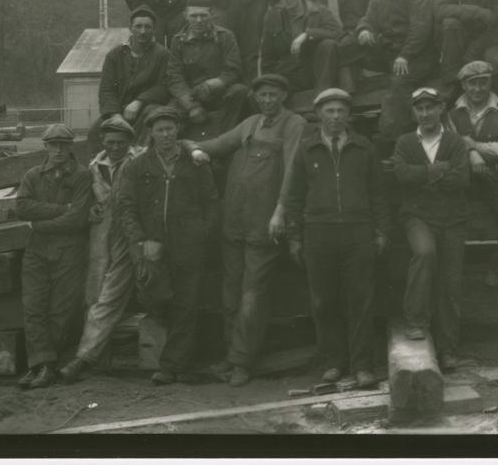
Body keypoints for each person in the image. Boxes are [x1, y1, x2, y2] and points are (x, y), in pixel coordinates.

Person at [187, 74, 306, 387]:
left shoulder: (294, 124)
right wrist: (193, 147)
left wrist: (281, 211)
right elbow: (218, 144)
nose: (267, 100)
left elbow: (294, 171)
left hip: (264, 224)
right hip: (235, 222)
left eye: (273, 94)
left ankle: (242, 362)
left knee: (253, 295)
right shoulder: (251, 123)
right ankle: (230, 356)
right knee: (230, 293)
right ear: (256, 98)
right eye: (262, 95)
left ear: (283, 95)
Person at [286, 88, 391, 388]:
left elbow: (378, 194)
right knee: (323, 301)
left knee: (361, 300)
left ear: (348, 115)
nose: (335, 117)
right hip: (318, 233)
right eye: (329, 111)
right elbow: (294, 197)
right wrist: (295, 237)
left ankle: (362, 365)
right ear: (318, 115)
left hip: (358, 232)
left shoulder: (364, 147)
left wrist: (381, 231)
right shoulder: (307, 149)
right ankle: (333, 362)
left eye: (340, 111)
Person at [116, 107, 219, 385]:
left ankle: (173, 365)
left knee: (187, 303)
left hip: (189, 244)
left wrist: (201, 233)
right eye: (159, 130)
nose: (165, 135)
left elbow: (210, 201)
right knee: (155, 297)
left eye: (170, 129)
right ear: (150, 133)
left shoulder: (194, 163)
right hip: (152, 246)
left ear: (177, 131)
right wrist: (141, 241)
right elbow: (126, 207)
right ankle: (173, 356)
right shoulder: (138, 166)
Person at [392, 87, 470, 372]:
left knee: (451, 281)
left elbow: (461, 179)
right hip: (418, 217)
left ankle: (449, 348)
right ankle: (416, 321)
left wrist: (422, 176)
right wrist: (438, 171)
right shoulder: (404, 142)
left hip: (453, 219)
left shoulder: (454, 141)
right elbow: (400, 176)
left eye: (430, 107)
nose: (425, 114)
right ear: (413, 112)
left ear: (441, 109)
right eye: (419, 109)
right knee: (425, 254)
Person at [59, 117, 141, 383]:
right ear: (103, 142)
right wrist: (92, 208)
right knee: (92, 292)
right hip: (101, 232)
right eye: (110, 142)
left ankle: (83, 357)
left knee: (111, 294)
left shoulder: (139, 160)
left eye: (120, 142)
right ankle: (99, 358)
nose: (115, 147)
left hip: (130, 231)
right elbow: (88, 199)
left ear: (129, 142)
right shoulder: (95, 165)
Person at [15, 124, 94, 389]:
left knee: (61, 310)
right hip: (37, 251)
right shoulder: (33, 175)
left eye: (64, 145)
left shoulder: (83, 176)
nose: (59, 150)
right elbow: (23, 207)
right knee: (33, 308)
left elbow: (77, 219)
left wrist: (40, 223)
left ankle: (43, 365)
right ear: (45, 146)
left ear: (71, 146)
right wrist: (61, 208)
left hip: (70, 251)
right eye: (53, 145)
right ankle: (41, 365)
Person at [445, 61, 498, 289]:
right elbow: (451, 146)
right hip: (466, 177)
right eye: (472, 84)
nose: (478, 89)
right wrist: (470, 153)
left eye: (483, 83)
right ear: (463, 85)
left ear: (490, 83)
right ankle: (452, 272)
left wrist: (477, 146)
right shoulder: (453, 113)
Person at [354, 0, 437, 140]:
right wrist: (364, 29)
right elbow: (367, 19)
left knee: (399, 82)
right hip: (390, 53)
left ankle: (396, 139)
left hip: (419, 55)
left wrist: (406, 55)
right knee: (349, 45)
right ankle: (346, 91)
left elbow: (421, 29)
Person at [88, 5, 170, 154]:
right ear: (130, 28)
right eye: (138, 26)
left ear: (154, 29)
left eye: (147, 27)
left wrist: (139, 101)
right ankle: (100, 170)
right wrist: (115, 115)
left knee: (152, 117)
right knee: (95, 131)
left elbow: (164, 87)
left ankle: (140, 160)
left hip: (146, 110)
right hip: (118, 111)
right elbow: (106, 90)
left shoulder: (162, 55)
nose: (143, 31)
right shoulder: (115, 55)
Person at [166, 0, 249, 134]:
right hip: (192, 94)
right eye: (193, 16)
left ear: (212, 14)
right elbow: (174, 76)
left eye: (203, 15)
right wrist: (191, 106)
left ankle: (224, 136)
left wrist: (216, 83)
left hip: (219, 92)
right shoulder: (178, 40)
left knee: (239, 92)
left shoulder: (225, 36)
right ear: (185, 15)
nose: (199, 20)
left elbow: (234, 69)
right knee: (166, 116)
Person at [260, 0, 351, 94]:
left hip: (313, 74)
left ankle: (322, 94)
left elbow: (338, 34)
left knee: (328, 44)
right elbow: (267, 54)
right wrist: (267, 83)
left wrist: (308, 34)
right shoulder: (273, 16)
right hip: (287, 75)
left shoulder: (320, 11)